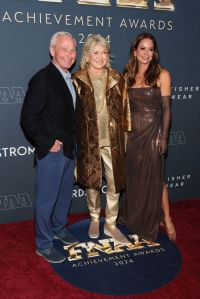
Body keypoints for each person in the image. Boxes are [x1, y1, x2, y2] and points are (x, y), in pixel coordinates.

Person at [21, 31, 79, 263]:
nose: (69, 54)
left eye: (73, 50)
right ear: (52, 51)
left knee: (63, 196)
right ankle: (43, 244)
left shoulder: (69, 78)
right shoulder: (43, 78)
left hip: (69, 150)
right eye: (64, 49)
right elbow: (27, 118)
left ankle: (59, 228)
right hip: (52, 152)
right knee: (47, 199)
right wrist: (47, 142)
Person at [73, 34, 131, 244]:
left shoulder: (117, 77)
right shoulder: (77, 78)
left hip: (113, 141)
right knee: (92, 184)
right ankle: (95, 218)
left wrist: (125, 136)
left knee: (115, 184)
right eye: (95, 52)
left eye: (104, 52)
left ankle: (111, 224)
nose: (100, 57)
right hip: (89, 141)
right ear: (87, 55)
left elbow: (126, 109)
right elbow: (73, 113)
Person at [118, 32, 176, 242]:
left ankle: (166, 219)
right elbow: (125, 111)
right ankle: (136, 216)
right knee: (134, 178)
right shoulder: (127, 76)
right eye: (142, 48)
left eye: (150, 49)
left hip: (153, 135)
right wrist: (124, 137)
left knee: (157, 178)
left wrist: (164, 137)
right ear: (135, 51)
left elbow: (167, 109)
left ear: (155, 53)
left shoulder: (162, 74)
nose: (146, 53)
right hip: (133, 136)